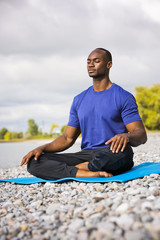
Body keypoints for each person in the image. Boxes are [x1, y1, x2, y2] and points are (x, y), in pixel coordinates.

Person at [20, 48, 147, 179]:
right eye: (88, 62)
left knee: (124, 153)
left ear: (109, 64)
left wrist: (127, 136)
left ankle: (79, 169)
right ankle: (86, 172)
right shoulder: (79, 99)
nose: (91, 65)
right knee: (35, 161)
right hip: (85, 154)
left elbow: (141, 134)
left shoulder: (123, 97)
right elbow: (67, 138)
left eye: (96, 61)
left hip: (111, 152)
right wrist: (42, 148)